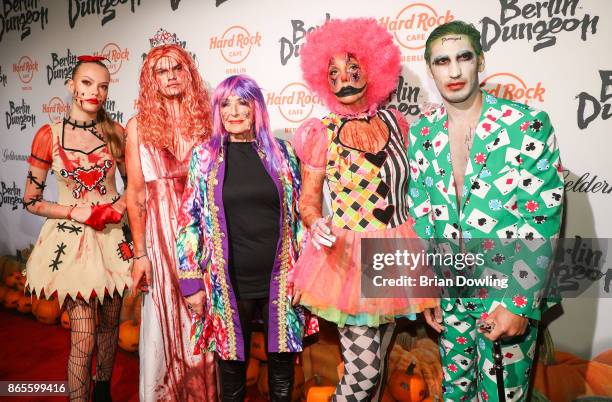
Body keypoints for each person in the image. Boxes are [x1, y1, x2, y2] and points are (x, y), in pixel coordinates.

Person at [409, 21, 564, 401]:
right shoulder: (421, 133)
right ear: (431, 70)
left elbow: (542, 219)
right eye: (442, 61)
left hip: (505, 291)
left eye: (464, 57)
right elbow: (423, 214)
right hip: (450, 295)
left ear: (480, 60)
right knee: (454, 394)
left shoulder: (525, 124)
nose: (455, 71)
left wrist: (518, 302)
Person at [291, 18, 437, 401]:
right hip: (350, 260)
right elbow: (307, 201)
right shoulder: (320, 132)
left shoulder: (398, 122)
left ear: (373, 69)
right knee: (364, 371)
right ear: (323, 79)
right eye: (334, 72)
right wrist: (314, 222)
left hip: (397, 250)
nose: (345, 79)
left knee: (380, 365)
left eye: (353, 69)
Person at [176, 74, 318, 402]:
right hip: (226, 283)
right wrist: (191, 282)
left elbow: (300, 220)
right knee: (232, 371)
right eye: (226, 104)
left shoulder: (282, 154)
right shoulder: (205, 156)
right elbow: (189, 221)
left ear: (257, 108)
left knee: (282, 369)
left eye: (244, 102)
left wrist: (306, 274)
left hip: (282, 279)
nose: (235, 111)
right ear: (217, 110)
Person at [23, 55, 132, 402]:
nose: (94, 92)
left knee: (110, 327)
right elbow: (31, 200)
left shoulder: (116, 132)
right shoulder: (48, 136)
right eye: (87, 83)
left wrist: (118, 205)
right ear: (71, 85)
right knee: (83, 335)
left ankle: (102, 391)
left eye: (102, 86)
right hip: (71, 244)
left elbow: (135, 187)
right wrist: (76, 212)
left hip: (114, 239)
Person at [125, 31, 217, 402]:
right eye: (161, 71)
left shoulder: (209, 119)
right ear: (152, 80)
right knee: (164, 316)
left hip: (203, 229)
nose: (171, 76)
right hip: (161, 235)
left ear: (188, 71)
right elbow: (135, 195)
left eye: (177, 67)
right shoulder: (138, 126)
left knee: (204, 308)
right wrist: (140, 255)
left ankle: (203, 392)